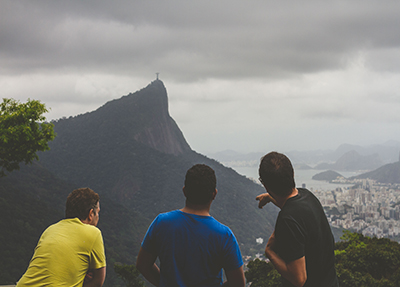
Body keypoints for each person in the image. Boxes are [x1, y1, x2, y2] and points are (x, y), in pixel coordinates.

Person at [136, 164, 245, 287]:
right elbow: (238, 283)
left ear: (184, 191)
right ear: (214, 194)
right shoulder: (224, 235)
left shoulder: (161, 223)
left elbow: (143, 265)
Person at [256, 152, 338, 287]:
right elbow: (293, 206)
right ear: (292, 174)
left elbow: (299, 279)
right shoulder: (307, 196)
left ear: (265, 184)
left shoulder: (288, 220)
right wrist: (270, 197)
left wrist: (269, 252)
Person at [16, 188, 106, 287]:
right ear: (90, 214)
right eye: (97, 212)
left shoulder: (50, 229)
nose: (98, 216)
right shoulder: (93, 233)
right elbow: (98, 281)